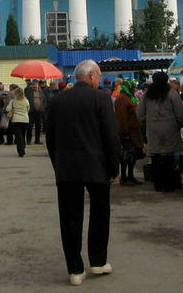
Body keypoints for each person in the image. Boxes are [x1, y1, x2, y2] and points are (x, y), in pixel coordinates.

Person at [45, 60, 120, 286]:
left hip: (66, 169)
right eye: (99, 76)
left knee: (69, 218)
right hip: (97, 167)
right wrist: (113, 167)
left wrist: (57, 165)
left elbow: (50, 138)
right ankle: (98, 261)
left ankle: (75, 270)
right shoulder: (101, 98)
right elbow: (110, 135)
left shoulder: (58, 101)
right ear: (93, 75)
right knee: (100, 213)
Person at [136, 71, 183, 192]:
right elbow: (180, 113)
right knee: (169, 156)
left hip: (152, 129)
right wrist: (179, 124)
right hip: (170, 128)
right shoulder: (172, 94)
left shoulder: (146, 95)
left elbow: (139, 113)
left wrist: (147, 122)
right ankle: (169, 184)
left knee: (155, 156)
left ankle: (158, 184)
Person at [114, 78, 144, 186]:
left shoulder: (130, 97)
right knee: (126, 156)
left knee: (132, 156)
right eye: (134, 87)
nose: (136, 89)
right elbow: (121, 117)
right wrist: (124, 133)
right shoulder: (122, 99)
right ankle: (124, 178)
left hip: (134, 132)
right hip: (128, 132)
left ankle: (130, 176)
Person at [6, 85, 30, 157]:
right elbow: (28, 109)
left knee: (18, 136)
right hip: (25, 119)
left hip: (16, 119)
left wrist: (13, 109)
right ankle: (23, 148)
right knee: (23, 134)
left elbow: (7, 109)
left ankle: (20, 151)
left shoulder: (13, 101)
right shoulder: (26, 100)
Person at [25, 79, 46, 145]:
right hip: (31, 112)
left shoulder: (41, 92)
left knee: (38, 126)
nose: (35, 86)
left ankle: (37, 140)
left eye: (36, 85)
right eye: (34, 85)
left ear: (38, 85)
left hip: (39, 112)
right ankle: (28, 140)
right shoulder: (29, 92)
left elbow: (44, 101)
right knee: (29, 127)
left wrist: (43, 108)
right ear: (32, 85)